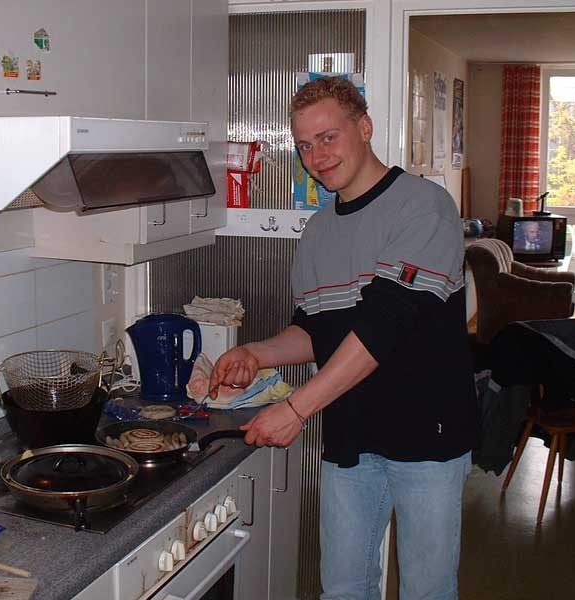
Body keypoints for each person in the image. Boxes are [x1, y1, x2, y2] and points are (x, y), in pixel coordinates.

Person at [208, 77, 477, 600]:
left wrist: (296, 408)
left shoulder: (424, 206)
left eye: (328, 137)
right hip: (351, 437)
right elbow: (317, 331)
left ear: (365, 127)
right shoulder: (318, 232)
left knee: (426, 590)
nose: (317, 156)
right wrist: (254, 353)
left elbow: (384, 326)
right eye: (305, 145)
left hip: (428, 437)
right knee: (343, 589)